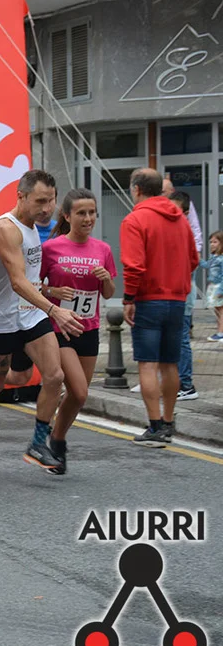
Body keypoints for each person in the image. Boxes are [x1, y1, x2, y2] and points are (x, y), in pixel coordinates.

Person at [0, 169, 83, 475]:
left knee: (55, 376)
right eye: (40, 201)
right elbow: (18, 282)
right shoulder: (5, 229)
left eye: (51, 200)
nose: (47, 208)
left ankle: (37, 442)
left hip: (32, 316)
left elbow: (32, 280)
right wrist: (55, 310)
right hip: (3, 319)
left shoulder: (34, 227)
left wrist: (49, 293)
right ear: (21, 196)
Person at [120, 168, 199, 445]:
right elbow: (193, 259)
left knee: (147, 364)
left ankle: (154, 426)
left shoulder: (134, 220)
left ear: (136, 189)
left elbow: (134, 266)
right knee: (170, 364)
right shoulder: (180, 220)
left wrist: (129, 298)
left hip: (148, 299)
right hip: (177, 300)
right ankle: (168, 422)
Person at [39, 188, 115, 474]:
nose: (87, 218)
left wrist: (106, 279)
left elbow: (108, 293)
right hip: (60, 328)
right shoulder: (51, 248)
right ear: (67, 216)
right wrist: (53, 291)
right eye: (81, 213)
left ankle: (57, 438)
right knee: (80, 392)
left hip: (89, 328)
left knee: (77, 394)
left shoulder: (103, 250)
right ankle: (57, 442)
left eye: (92, 212)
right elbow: (34, 286)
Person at [166, 190, 200, 400]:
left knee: (182, 339)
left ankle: (186, 385)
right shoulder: (176, 230)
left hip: (183, 294)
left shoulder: (185, 233)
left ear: (186, 213)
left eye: (175, 210)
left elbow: (192, 262)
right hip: (176, 294)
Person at [204, 231, 223, 341]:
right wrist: (198, 260)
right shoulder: (214, 257)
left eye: (215, 242)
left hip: (219, 287)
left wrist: (221, 290)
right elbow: (207, 265)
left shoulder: (221, 258)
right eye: (211, 242)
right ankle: (219, 331)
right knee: (217, 311)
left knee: (221, 311)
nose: (212, 244)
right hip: (213, 286)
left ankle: (221, 333)